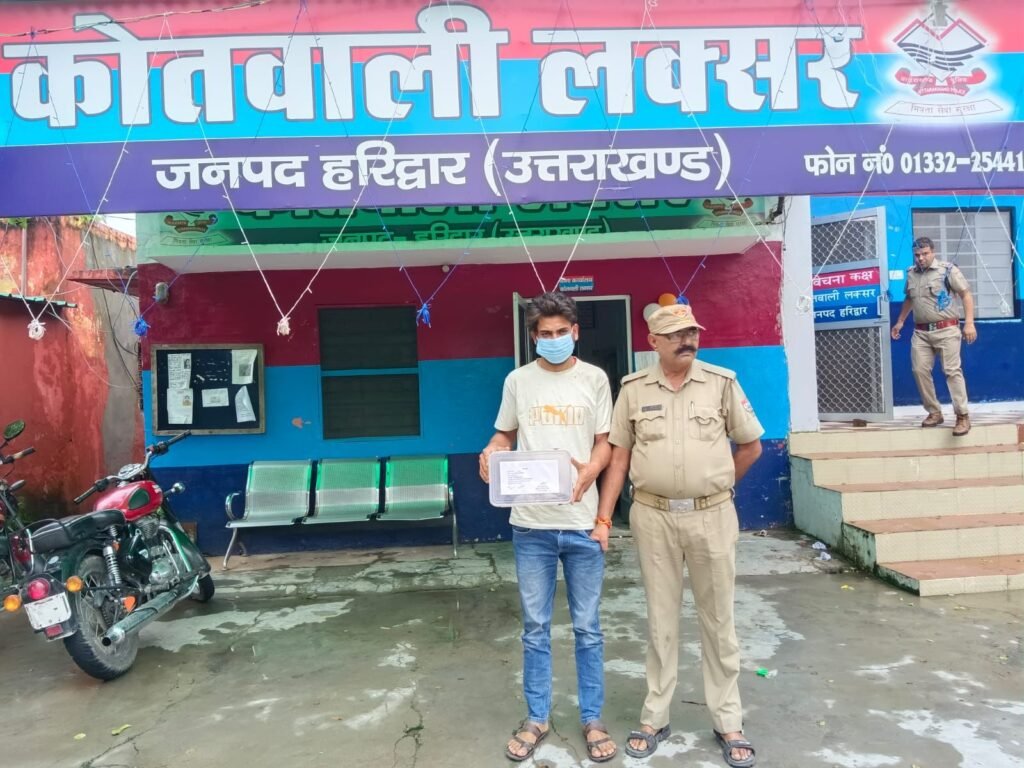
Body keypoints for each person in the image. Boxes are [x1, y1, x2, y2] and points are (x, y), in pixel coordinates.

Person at [597, 302, 764, 768]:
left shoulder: (722, 383)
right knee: (660, 620)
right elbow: (619, 458)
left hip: (712, 517)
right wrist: (604, 518)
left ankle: (728, 720)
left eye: (691, 332)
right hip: (653, 517)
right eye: (675, 335)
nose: (687, 340)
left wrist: (718, 487)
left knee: (719, 620)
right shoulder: (633, 389)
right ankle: (654, 717)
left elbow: (751, 446)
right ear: (653, 342)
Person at [479, 291, 617, 763]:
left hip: (582, 524)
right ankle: (537, 718)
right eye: (545, 334)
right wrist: (492, 451)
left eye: (561, 332)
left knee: (588, 628)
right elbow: (505, 433)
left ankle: (592, 718)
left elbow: (605, 442)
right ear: (534, 337)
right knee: (535, 628)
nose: (553, 339)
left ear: (575, 332)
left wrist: (590, 471)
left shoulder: (595, 379)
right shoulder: (518, 381)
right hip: (531, 527)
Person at [891, 236, 977, 436]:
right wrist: (900, 321)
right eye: (917, 255)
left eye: (925, 254)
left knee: (952, 371)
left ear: (933, 252)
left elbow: (966, 294)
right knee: (919, 370)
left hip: (947, 330)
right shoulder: (911, 274)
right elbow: (909, 298)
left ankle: (962, 416)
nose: (920, 258)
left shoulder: (947, 270)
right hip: (921, 332)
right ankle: (934, 412)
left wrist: (969, 323)